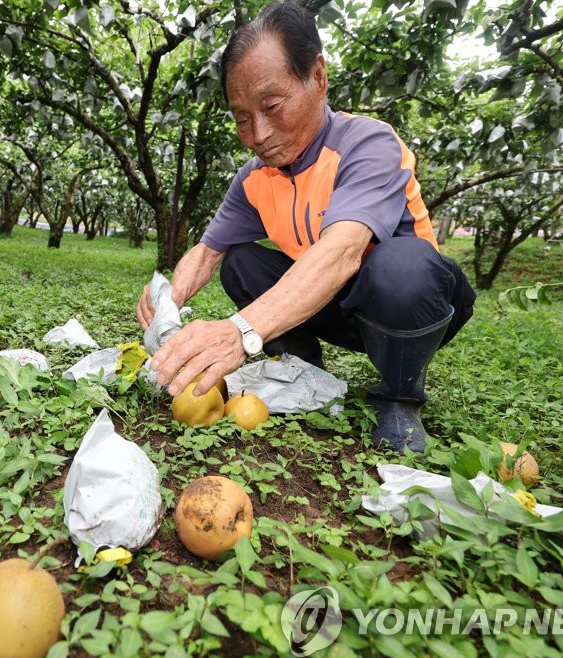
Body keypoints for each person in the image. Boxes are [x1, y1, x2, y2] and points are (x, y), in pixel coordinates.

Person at [136, 0, 476, 452]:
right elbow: (207, 252)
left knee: (402, 266)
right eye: (241, 118)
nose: (258, 133)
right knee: (241, 261)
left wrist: (239, 331)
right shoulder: (255, 176)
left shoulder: (368, 144)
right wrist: (168, 309)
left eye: (272, 106)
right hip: (330, 306)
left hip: (406, 308)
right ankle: (301, 361)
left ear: (317, 76)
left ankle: (399, 394)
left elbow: (344, 252)